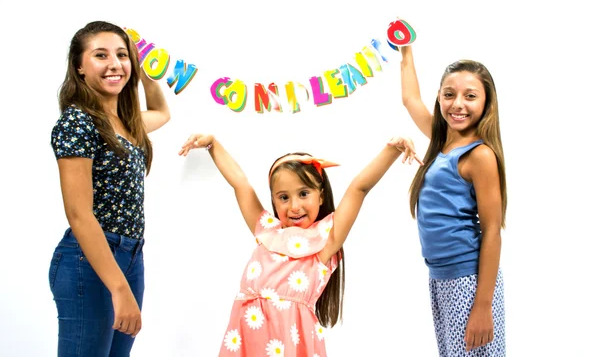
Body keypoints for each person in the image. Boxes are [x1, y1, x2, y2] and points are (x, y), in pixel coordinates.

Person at [179, 134, 422, 356]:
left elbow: (359, 188)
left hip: (292, 344)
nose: (294, 206)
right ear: (274, 200)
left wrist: (392, 150)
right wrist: (213, 144)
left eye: (304, 194)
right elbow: (241, 184)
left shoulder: (326, 239)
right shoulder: (266, 230)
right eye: (284, 197)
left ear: (321, 195)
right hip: (247, 338)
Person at [48, 20, 171, 356]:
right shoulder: (78, 121)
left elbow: (161, 112)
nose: (115, 64)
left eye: (121, 55)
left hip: (131, 255)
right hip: (89, 259)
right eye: (100, 55)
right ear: (80, 68)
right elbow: (78, 213)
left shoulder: (126, 124)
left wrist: (146, 74)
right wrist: (118, 287)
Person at [400, 45, 507, 355]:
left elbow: (491, 231)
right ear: (439, 96)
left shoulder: (479, 155)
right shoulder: (441, 140)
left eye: (470, 96)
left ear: (487, 102)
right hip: (440, 277)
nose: (457, 104)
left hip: (469, 281)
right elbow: (410, 99)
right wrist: (405, 51)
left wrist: (483, 305)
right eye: (449, 94)